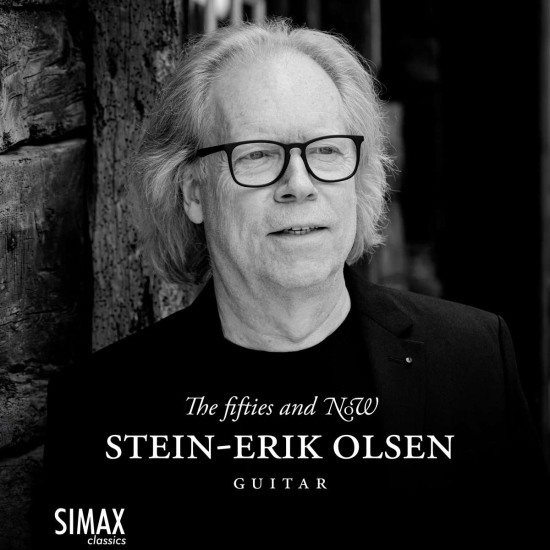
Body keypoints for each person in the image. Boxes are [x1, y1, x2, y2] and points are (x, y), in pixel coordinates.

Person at [42, 20, 548, 547]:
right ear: (193, 191)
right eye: (257, 154)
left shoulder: (473, 359)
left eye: (327, 150)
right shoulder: (100, 408)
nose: (299, 185)